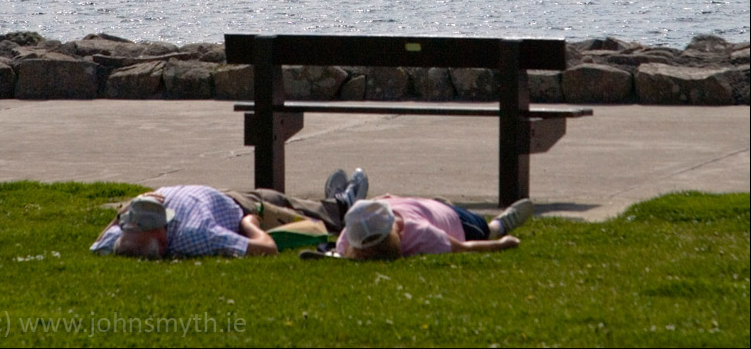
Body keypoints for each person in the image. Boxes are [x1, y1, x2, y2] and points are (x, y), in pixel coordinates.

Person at [90, 168, 368, 259]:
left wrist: (124, 211)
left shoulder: (124, 236)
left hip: (209, 196)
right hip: (239, 206)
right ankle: (342, 206)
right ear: (163, 242)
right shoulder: (196, 236)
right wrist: (250, 225)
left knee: (271, 197)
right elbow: (265, 248)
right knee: (275, 201)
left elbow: (99, 242)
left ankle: (336, 203)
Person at [335, 194, 534, 260]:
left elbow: (465, 247)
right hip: (409, 204)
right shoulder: (351, 232)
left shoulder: (422, 234)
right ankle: (436, 204)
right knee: (431, 207)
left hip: (456, 220)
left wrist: (501, 243)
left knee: (483, 230)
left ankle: (498, 225)